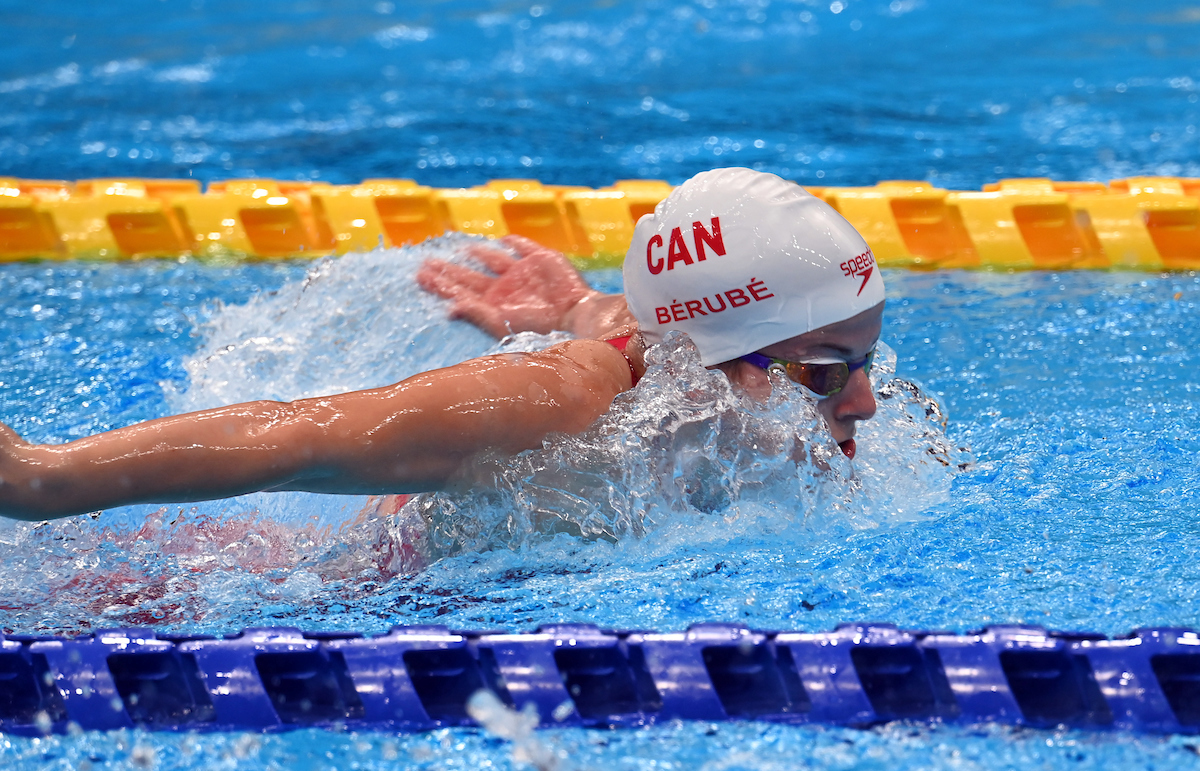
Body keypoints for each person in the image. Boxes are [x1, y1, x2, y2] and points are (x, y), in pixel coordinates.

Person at [0, 168, 884, 522]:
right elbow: (295, 432)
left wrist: (571, 301)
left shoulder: (694, 360)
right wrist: (45, 477)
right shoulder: (560, 404)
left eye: (867, 361)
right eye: (823, 372)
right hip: (361, 592)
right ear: (702, 361)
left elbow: (636, 321)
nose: (865, 404)